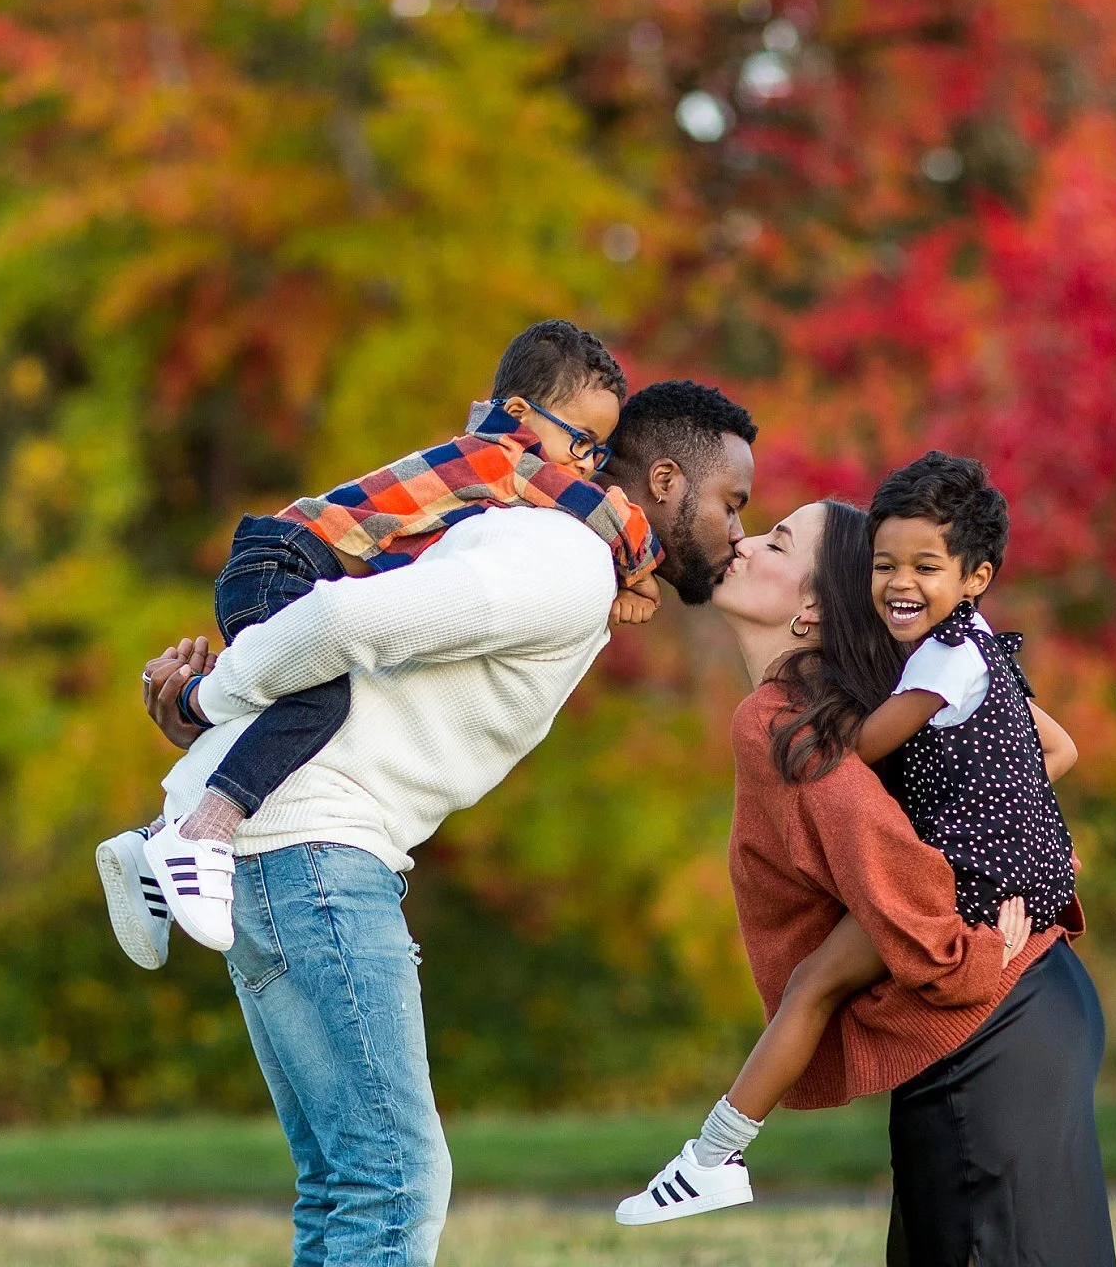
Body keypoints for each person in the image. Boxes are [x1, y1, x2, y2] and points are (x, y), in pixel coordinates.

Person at [130, 378, 758, 1267]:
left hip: (294, 852)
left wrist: (204, 726)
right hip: (317, 852)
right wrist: (206, 695)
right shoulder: (563, 560)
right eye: (733, 502)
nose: (738, 529)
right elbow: (343, 617)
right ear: (663, 481)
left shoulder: (564, 554)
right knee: (393, 1185)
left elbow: (364, 665)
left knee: (352, 1183)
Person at [626, 496, 1115, 1264]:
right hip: (1012, 1011)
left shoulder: (791, 719)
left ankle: (715, 1152)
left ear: (814, 608)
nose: (745, 544)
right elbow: (1043, 751)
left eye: (777, 543)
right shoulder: (850, 704)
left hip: (991, 1017)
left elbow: (889, 863)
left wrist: (978, 924)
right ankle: (715, 1152)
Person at [95, 320, 664, 964]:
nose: (587, 464)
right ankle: (205, 831)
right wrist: (639, 569)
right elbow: (603, 514)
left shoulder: (496, 480)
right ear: (516, 413)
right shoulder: (504, 460)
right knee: (326, 697)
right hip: (284, 560)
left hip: (286, 562)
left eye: (600, 452)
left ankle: (151, 844)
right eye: (582, 441)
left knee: (303, 696)